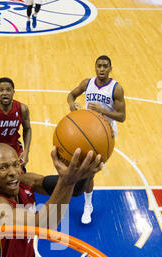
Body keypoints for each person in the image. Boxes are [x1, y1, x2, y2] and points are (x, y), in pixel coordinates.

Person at [67, 55, 126, 224]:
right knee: (85, 171)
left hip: (105, 135)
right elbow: (71, 95)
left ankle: (87, 205)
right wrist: (71, 104)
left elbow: (122, 117)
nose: (101, 69)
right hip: (87, 130)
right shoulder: (87, 83)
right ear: (95, 67)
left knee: (89, 172)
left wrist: (102, 110)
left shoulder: (116, 89)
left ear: (110, 68)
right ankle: (87, 203)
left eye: (105, 66)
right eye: (99, 66)